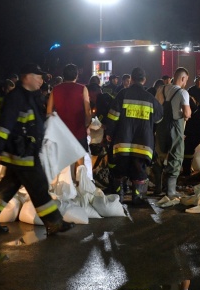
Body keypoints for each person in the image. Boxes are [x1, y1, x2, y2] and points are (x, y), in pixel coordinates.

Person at [0, 63, 74, 236]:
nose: (41, 80)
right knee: (38, 186)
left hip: (25, 150)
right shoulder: (16, 97)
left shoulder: (31, 96)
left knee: (9, 184)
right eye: (38, 77)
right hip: (20, 152)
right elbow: (4, 124)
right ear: (27, 77)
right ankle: (54, 222)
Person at [104, 67, 162, 206]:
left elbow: (113, 116)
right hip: (143, 143)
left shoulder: (123, 94)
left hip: (123, 141)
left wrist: (109, 133)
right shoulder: (150, 98)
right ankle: (137, 197)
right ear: (144, 80)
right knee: (139, 170)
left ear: (132, 79)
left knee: (119, 169)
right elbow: (159, 118)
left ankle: (118, 196)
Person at [45, 63, 91, 182]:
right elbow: (87, 110)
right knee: (80, 162)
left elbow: (49, 112)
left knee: (63, 163)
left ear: (63, 75)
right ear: (76, 75)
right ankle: (81, 186)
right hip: (78, 130)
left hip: (61, 132)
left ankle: (65, 186)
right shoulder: (82, 88)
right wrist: (87, 124)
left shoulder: (55, 89)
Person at [151, 67, 191, 197]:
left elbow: (156, 108)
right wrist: (188, 114)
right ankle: (170, 191)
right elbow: (186, 113)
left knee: (159, 155)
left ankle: (157, 187)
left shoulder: (161, 89)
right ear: (183, 78)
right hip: (175, 127)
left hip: (161, 127)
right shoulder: (183, 93)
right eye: (186, 80)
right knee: (175, 156)